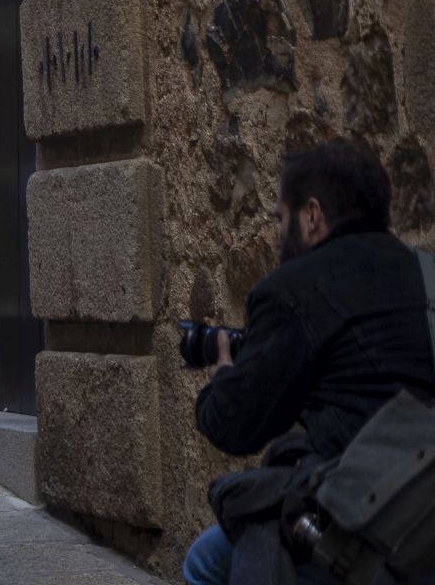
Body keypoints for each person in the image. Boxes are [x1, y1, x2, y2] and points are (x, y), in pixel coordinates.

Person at [182, 139, 435, 585]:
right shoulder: (425, 275)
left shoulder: (291, 290)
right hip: (425, 514)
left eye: (281, 219)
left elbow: (233, 425)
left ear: (312, 215)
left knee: (204, 561)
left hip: (361, 525)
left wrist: (224, 373)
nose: (279, 237)